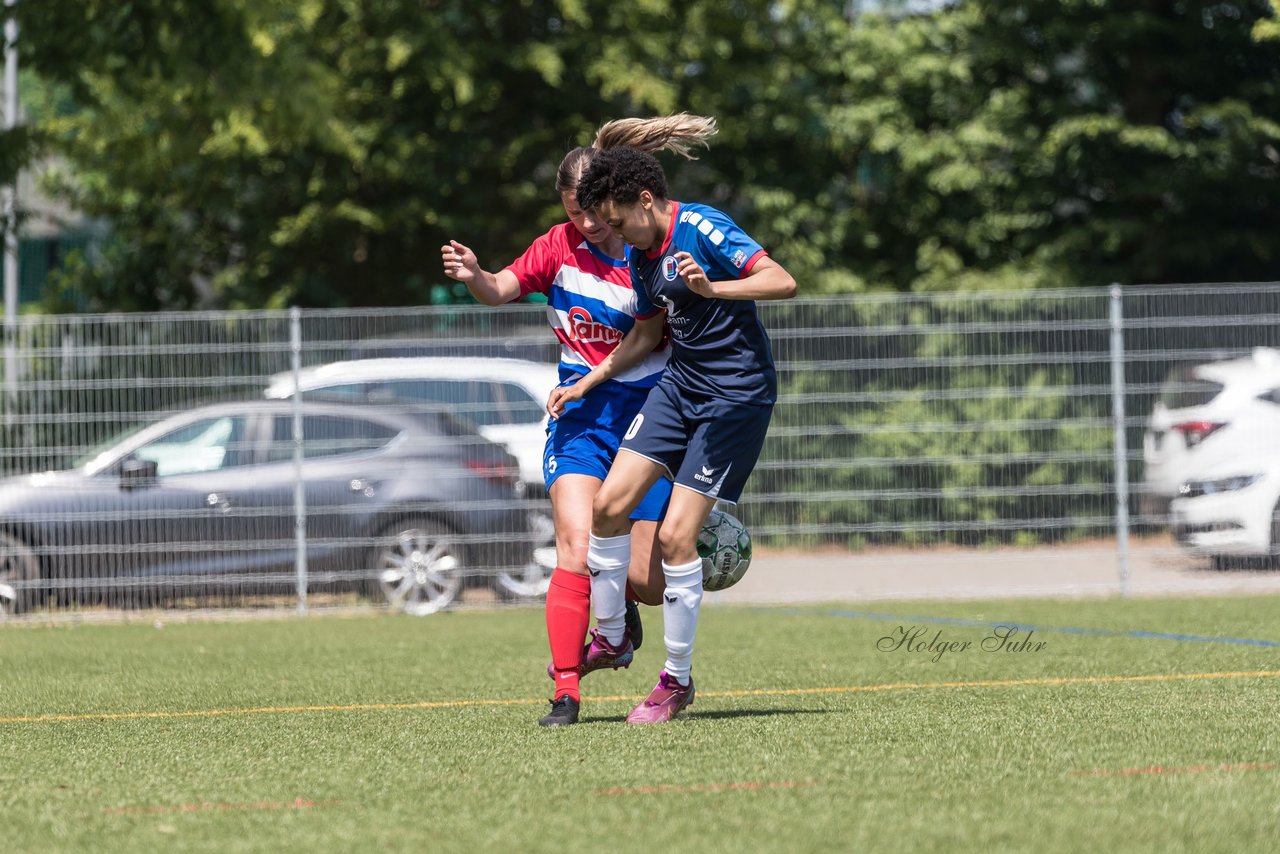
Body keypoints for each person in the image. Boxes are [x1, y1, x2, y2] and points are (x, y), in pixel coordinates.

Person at [440, 115, 719, 727]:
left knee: (647, 578)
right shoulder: (557, 245)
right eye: (575, 213)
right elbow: (502, 288)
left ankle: (621, 617)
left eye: (594, 211)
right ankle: (567, 690)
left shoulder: (650, 251)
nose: (587, 224)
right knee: (574, 541)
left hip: (650, 415)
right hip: (581, 416)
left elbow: (663, 336)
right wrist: (477, 277)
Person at [549, 144, 797, 724]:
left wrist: (714, 288)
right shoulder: (641, 253)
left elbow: (781, 281)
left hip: (734, 398)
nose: (612, 234)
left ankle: (676, 682)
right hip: (679, 388)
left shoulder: (703, 226)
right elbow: (644, 335)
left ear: (645, 200)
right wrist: (589, 381)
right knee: (607, 508)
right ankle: (611, 636)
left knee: (676, 538)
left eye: (615, 222)